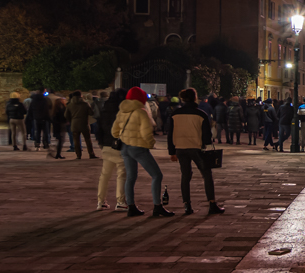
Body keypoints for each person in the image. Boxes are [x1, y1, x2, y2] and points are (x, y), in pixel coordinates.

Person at [112, 87, 173, 218]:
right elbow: (146, 132)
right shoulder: (141, 112)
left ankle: (131, 206)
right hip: (138, 147)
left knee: (131, 176)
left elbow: (114, 132)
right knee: (157, 175)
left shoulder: (122, 111)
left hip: (125, 147)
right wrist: (150, 144)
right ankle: (157, 206)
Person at [167, 88, 224, 215]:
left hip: (180, 148)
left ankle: (187, 205)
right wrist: (206, 143)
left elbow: (170, 134)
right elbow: (206, 135)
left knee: (185, 176)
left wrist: (172, 151)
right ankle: (212, 203)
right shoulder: (201, 114)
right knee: (207, 175)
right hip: (196, 147)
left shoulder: (175, 114)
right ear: (194, 98)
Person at [96, 88, 126, 211]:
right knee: (122, 174)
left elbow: (98, 130)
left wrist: (101, 143)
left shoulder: (104, 110)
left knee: (105, 175)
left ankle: (101, 201)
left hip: (107, 145)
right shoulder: (123, 111)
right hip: (120, 145)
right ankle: (120, 201)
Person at [66, 91, 97, 159]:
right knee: (88, 140)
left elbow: (66, 115)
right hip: (84, 123)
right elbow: (91, 113)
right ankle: (91, 154)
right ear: (81, 95)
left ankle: (78, 155)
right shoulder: (85, 104)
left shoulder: (70, 104)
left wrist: (71, 119)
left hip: (74, 124)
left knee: (76, 140)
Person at [51, 95, 70, 159]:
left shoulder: (55, 110)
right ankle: (57, 153)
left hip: (56, 126)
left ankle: (57, 153)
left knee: (60, 140)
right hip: (61, 126)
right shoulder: (62, 109)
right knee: (61, 140)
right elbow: (64, 117)